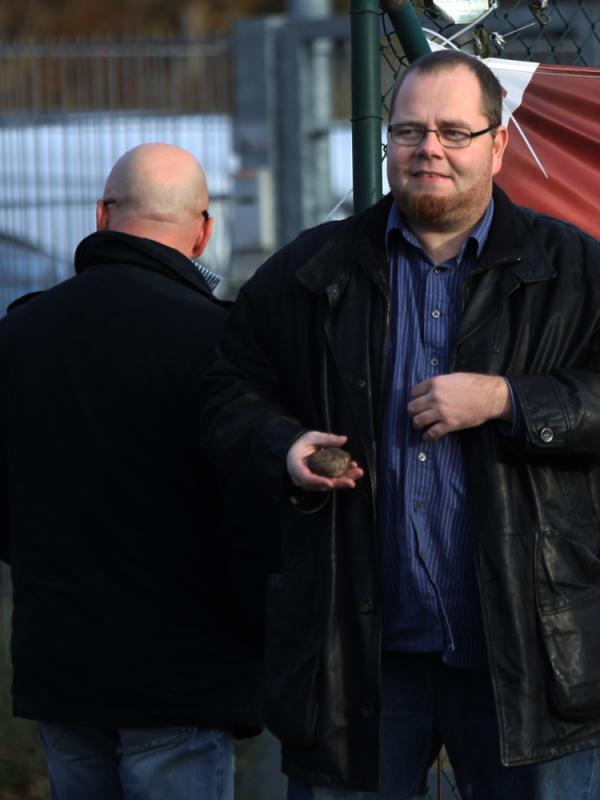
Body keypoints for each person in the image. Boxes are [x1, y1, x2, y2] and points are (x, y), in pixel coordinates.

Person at [201, 50, 600, 800]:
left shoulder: (575, 270)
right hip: (357, 657)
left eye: (454, 131)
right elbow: (230, 392)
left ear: (499, 143)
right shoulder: (309, 273)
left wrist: (510, 400)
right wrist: (283, 445)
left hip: (529, 653)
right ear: (387, 142)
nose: (430, 150)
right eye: (411, 131)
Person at [0, 143, 263, 800]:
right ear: (203, 230)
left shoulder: (21, 335)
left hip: (61, 668)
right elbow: (251, 510)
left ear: (101, 214)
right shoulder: (219, 343)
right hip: (182, 673)